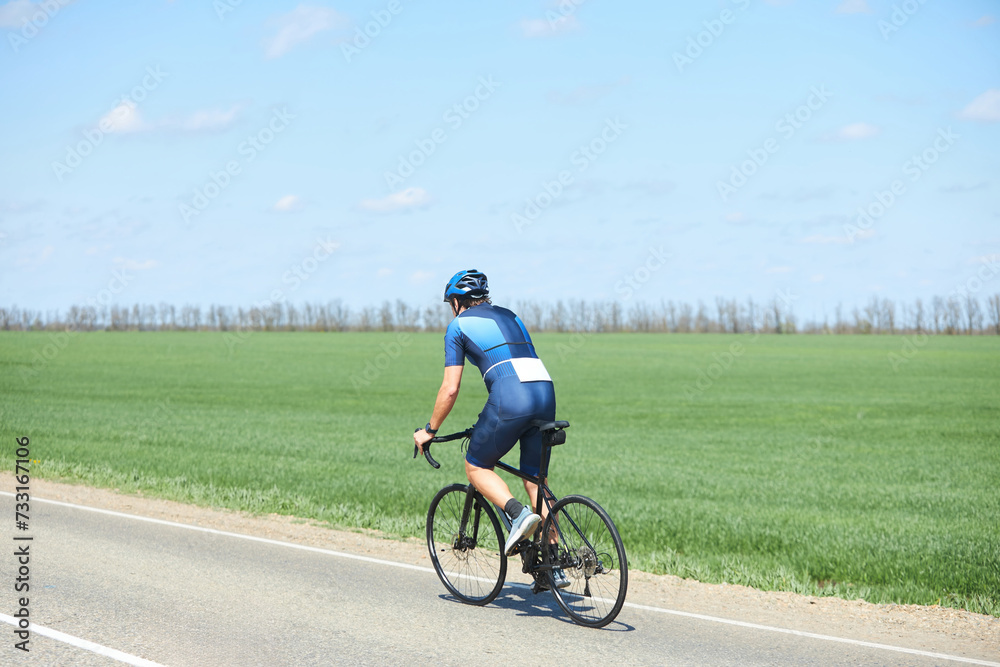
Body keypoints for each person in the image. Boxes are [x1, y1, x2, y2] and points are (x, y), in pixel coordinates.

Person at [413, 270, 568, 586]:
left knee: (476, 464)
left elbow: (450, 388)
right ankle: (555, 562)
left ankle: (517, 514)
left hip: (512, 398)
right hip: (545, 391)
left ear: (457, 302)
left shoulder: (457, 326)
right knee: (536, 480)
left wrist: (429, 429)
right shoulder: (512, 315)